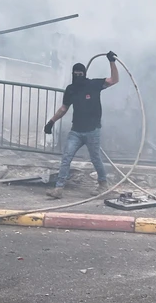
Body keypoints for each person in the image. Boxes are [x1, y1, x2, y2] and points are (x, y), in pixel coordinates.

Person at [44, 51, 119, 198]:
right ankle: (58, 189)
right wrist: (51, 122)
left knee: (95, 158)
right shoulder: (71, 89)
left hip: (92, 130)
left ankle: (103, 185)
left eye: (80, 74)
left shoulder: (93, 84)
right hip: (76, 131)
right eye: (75, 74)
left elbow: (114, 80)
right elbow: (64, 108)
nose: (78, 76)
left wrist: (112, 62)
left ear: (84, 73)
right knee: (66, 157)